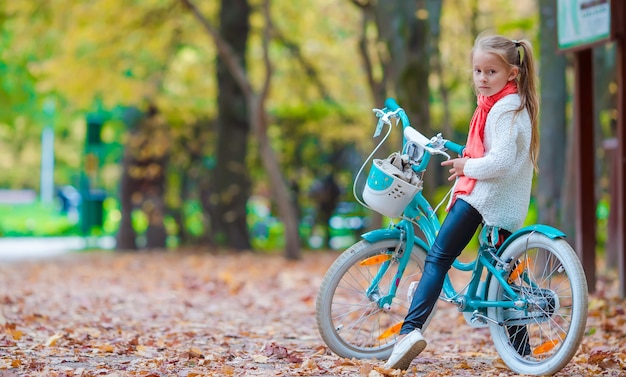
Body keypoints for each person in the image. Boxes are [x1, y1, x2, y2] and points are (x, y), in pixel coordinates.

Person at [384, 33, 540, 370]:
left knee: (438, 258)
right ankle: (524, 356)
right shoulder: (506, 105)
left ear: (512, 74)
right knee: (505, 277)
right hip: (506, 202)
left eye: (491, 72)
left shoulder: (502, 109)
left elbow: (498, 162)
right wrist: (466, 155)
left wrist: (467, 166)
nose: (482, 79)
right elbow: (500, 154)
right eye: (477, 71)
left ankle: (408, 333)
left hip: (486, 197)